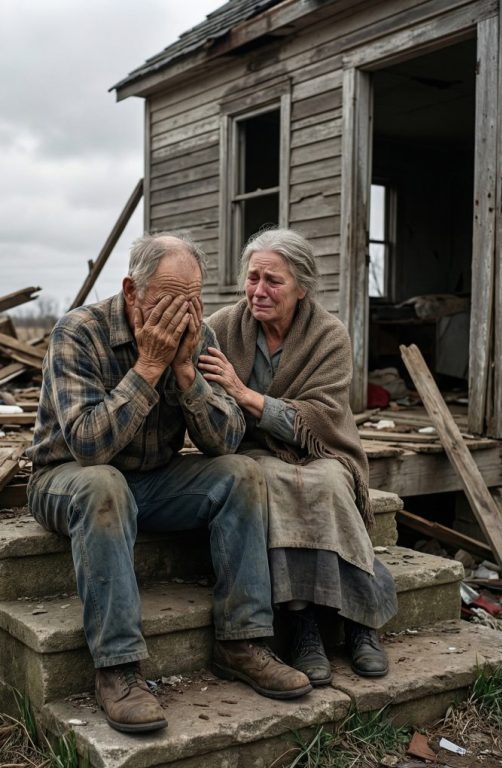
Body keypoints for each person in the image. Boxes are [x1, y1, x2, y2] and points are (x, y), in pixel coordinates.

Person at [27, 232, 311, 735]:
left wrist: (184, 373)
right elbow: (90, 447)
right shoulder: (78, 332)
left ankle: (241, 641)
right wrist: (149, 365)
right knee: (103, 484)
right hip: (67, 480)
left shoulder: (198, 335)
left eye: (193, 299)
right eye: (169, 299)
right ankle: (117, 669)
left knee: (242, 473)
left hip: (153, 481)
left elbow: (225, 440)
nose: (183, 313)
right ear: (132, 290)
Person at [200, 227, 397, 687]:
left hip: (321, 446)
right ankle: (304, 624)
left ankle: (359, 623)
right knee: (268, 479)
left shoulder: (329, 335)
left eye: (274, 281)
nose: (259, 291)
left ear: (302, 287)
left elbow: (323, 416)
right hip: (254, 449)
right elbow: (206, 396)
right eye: (253, 278)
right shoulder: (224, 327)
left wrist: (244, 394)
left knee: (327, 484)